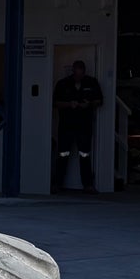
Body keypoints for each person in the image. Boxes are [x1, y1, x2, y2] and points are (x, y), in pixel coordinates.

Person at [52, 59, 103, 191]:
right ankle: (58, 184)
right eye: (76, 73)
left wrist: (89, 104)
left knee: (85, 155)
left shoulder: (91, 82)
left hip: (84, 125)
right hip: (66, 125)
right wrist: (70, 104)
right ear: (73, 71)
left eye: (81, 74)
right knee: (63, 154)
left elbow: (99, 100)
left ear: (84, 72)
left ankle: (88, 185)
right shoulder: (63, 84)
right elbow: (55, 103)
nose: (78, 76)